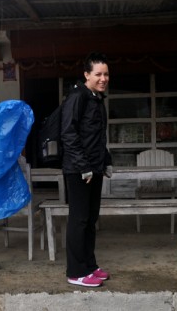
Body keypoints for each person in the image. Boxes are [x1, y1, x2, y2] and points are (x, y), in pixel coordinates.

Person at [60, 52, 113, 287]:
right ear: (86, 75)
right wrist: (83, 167)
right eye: (98, 74)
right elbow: (68, 134)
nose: (103, 78)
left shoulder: (96, 99)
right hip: (79, 170)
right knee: (79, 220)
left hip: (95, 168)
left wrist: (106, 161)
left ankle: (90, 265)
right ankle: (76, 272)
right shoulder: (77, 97)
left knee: (91, 220)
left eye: (106, 74)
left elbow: (98, 137)